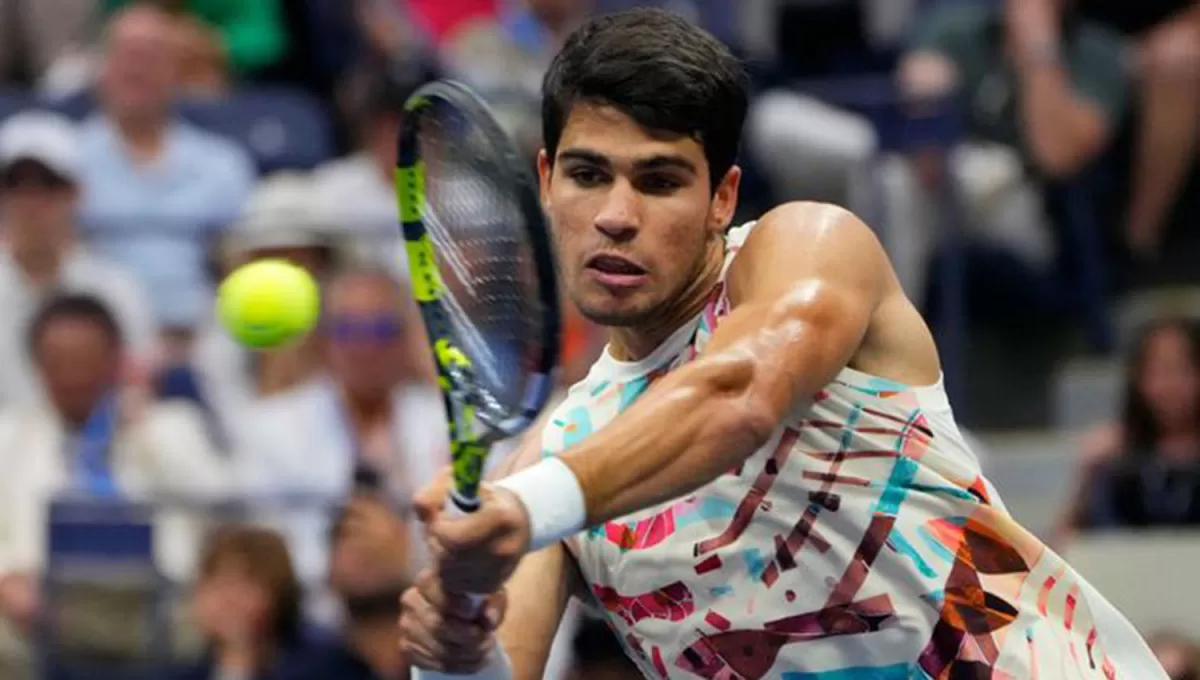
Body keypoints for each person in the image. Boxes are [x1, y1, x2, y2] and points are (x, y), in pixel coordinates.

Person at [398, 8, 1167, 678]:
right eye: (587, 174)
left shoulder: (808, 246)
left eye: (660, 181)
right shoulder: (553, 457)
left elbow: (742, 395)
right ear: (544, 180)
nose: (616, 215)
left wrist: (524, 508)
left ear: (720, 198)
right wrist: (456, 654)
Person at [0, 111, 157, 407]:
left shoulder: (116, 288)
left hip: (94, 444)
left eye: (48, 186)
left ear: (76, 193)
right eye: (14, 186)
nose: (30, 203)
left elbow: (136, 388)